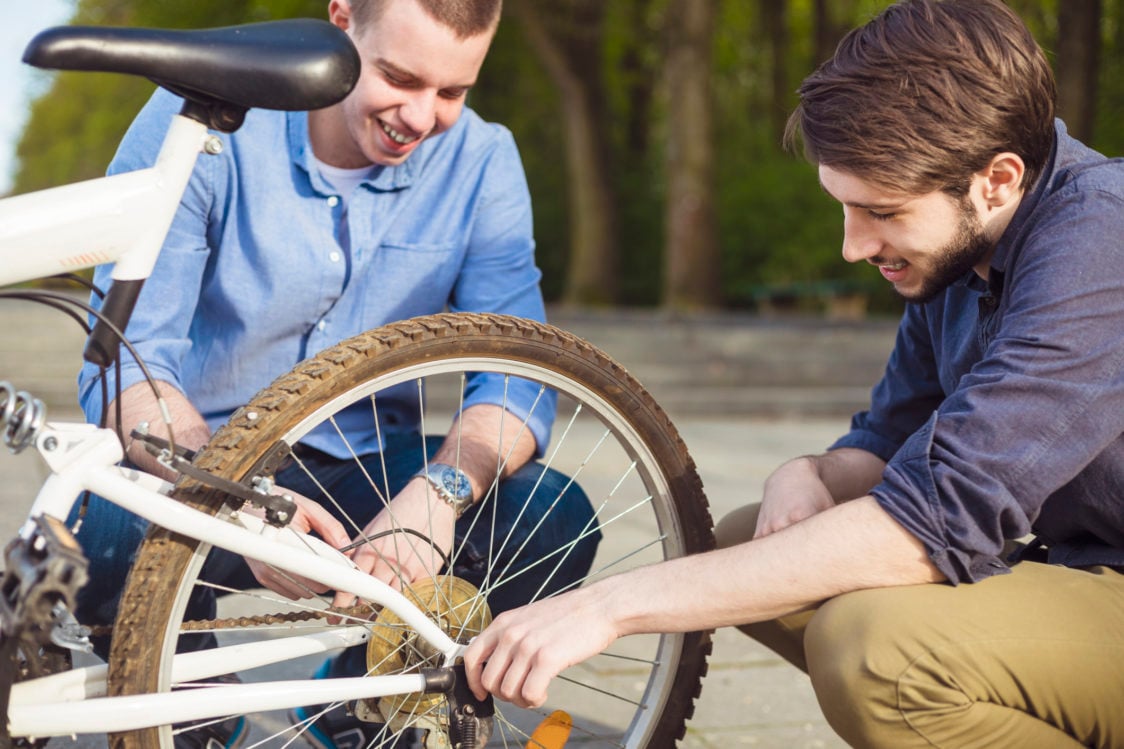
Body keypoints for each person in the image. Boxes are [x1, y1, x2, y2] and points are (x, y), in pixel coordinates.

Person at [463, 1, 1124, 746]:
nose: (852, 246)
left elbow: (936, 520)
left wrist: (606, 606)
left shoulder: (1103, 241)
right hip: (1078, 564)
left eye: (881, 211)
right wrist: (814, 470)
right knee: (757, 536)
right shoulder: (958, 256)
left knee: (878, 651)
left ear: (997, 179)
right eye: (843, 207)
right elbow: (888, 440)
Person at [74, 0, 599, 747]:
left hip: (368, 471)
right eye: (400, 77)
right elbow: (130, 363)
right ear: (342, 18)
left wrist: (438, 496)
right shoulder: (196, 121)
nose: (421, 118)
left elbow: (518, 378)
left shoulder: (481, 162)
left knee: (553, 512)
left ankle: (358, 698)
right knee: (106, 525)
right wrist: (234, 498)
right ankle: (194, 705)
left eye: (453, 92)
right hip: (209, 465)